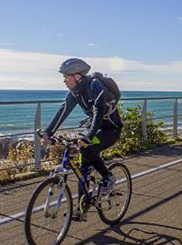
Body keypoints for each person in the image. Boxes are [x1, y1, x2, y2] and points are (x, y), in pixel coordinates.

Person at [41, 58, 123, 197]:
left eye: (66, 77)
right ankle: (82, 207)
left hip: (110, 130)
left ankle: (107, 177)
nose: (64, 81)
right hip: (95, 128)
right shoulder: (75, 92)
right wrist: (48, 133)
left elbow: (98, 111)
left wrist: (89, 136)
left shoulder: (95, 86)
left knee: (88, 146)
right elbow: (63, 110)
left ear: (77, 76)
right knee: (83, 167)